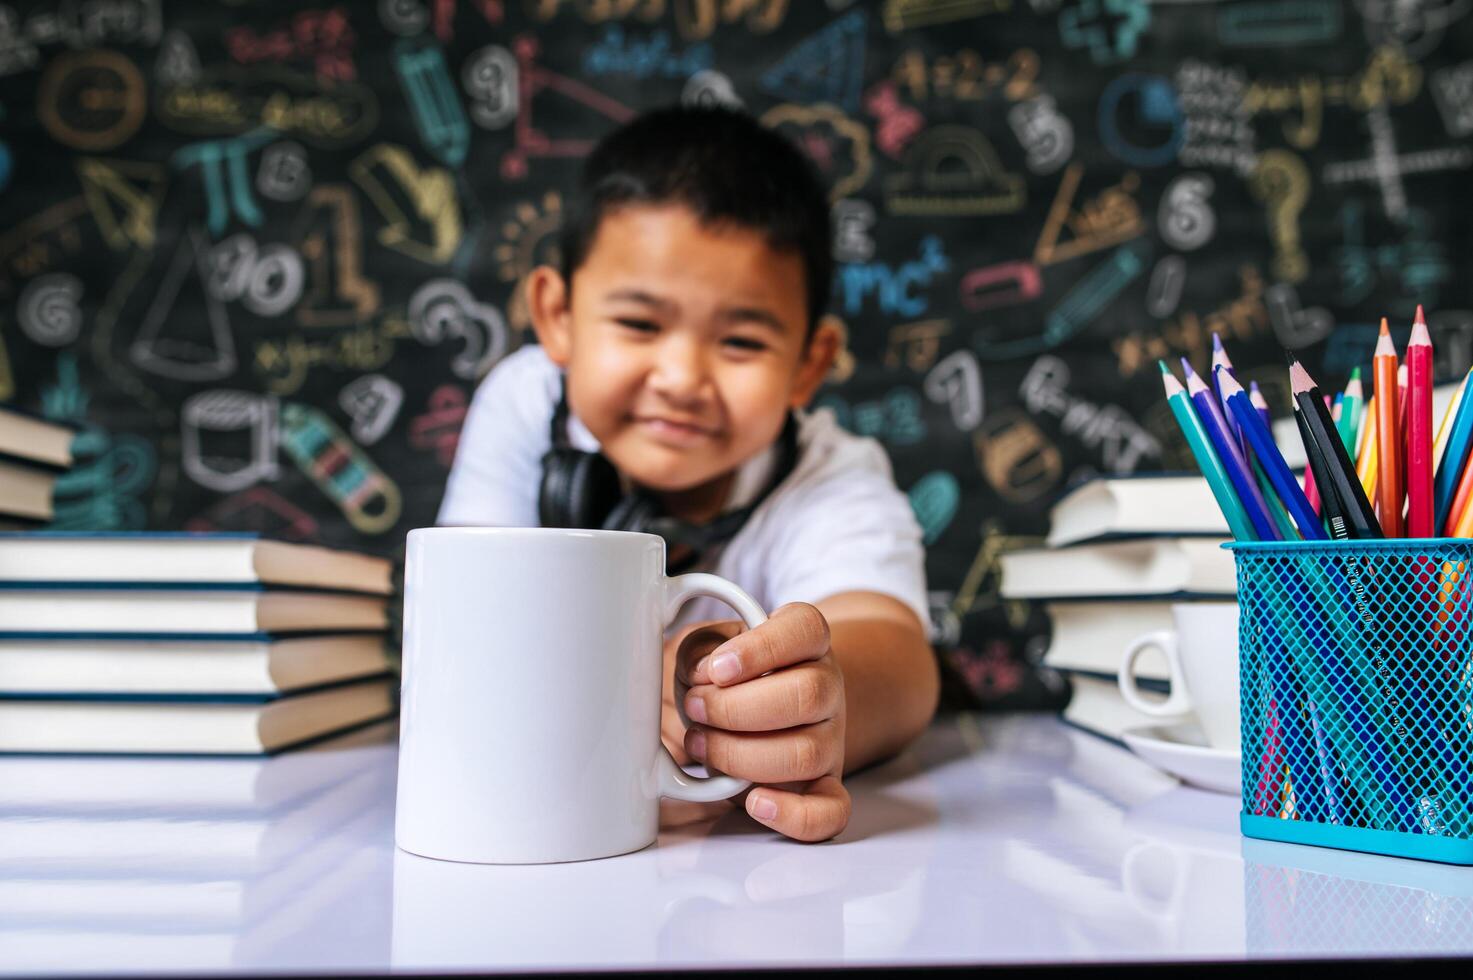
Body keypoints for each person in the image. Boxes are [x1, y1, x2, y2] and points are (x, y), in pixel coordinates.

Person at [437, 104, 938, 842]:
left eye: (739, 341)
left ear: (809, 364)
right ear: (557, 316)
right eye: (639, 325)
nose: (680, 378)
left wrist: (820, 711)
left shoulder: (832, 478)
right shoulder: (523, 403)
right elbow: (462, 627)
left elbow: (894, 653)